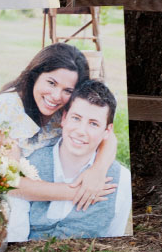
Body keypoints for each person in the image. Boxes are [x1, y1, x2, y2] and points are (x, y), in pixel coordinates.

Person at [0, 43, 117, 209]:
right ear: (35, 75)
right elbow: (9, 181)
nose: (56, 96)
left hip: (39, 195)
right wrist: (78, 192)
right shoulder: (9, 109)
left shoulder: (63, 108)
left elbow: (108, 137)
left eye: (68, 90)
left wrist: (97, 171)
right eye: (51, 83)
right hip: (2, 202)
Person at [7, 79, 132, 241]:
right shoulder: (30, 165)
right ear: (64, 118)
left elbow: (115, 242)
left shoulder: (120, 180)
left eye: (93, 124)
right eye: (76, 118)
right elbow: (15, 237)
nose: (81, 131)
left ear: (107, 131)